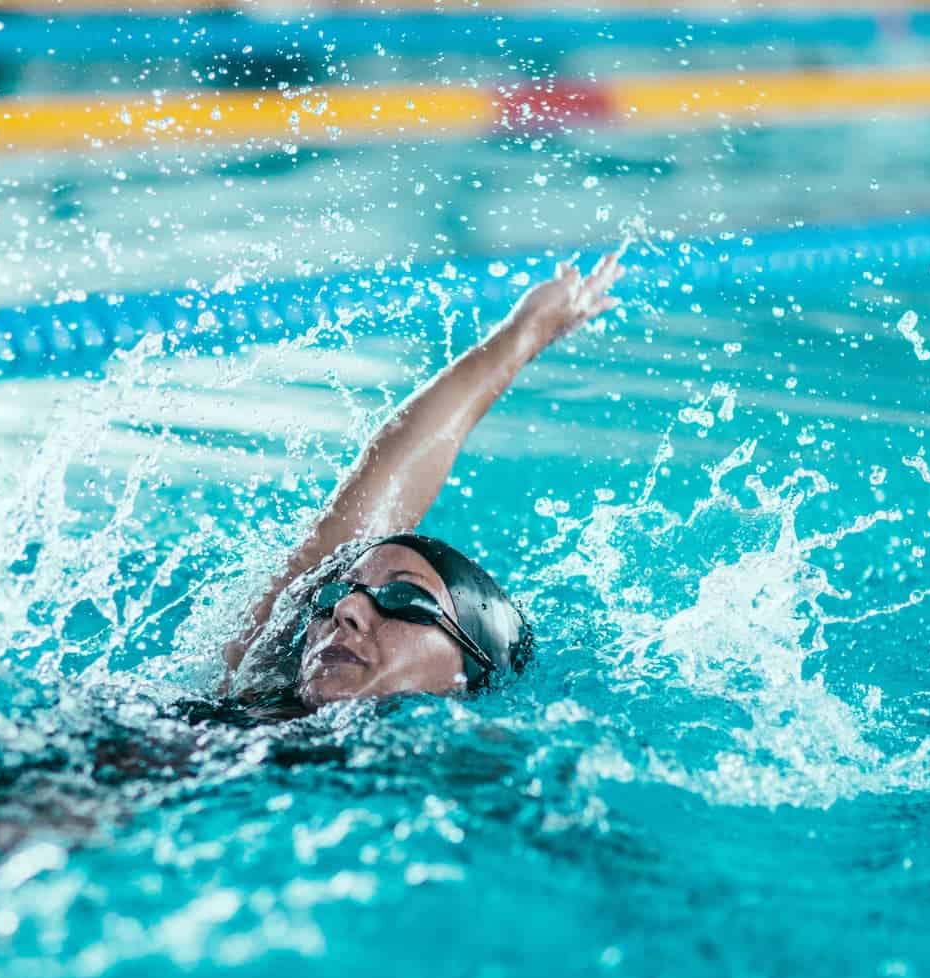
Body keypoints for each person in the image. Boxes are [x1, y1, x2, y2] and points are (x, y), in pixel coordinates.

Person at [219, 251, 627, 717]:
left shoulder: (478, 771)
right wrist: (523, 334)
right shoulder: (249, 696)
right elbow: (337, 535)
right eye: (334, 594)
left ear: (472, 668)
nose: (345, 610)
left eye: (404, 599)